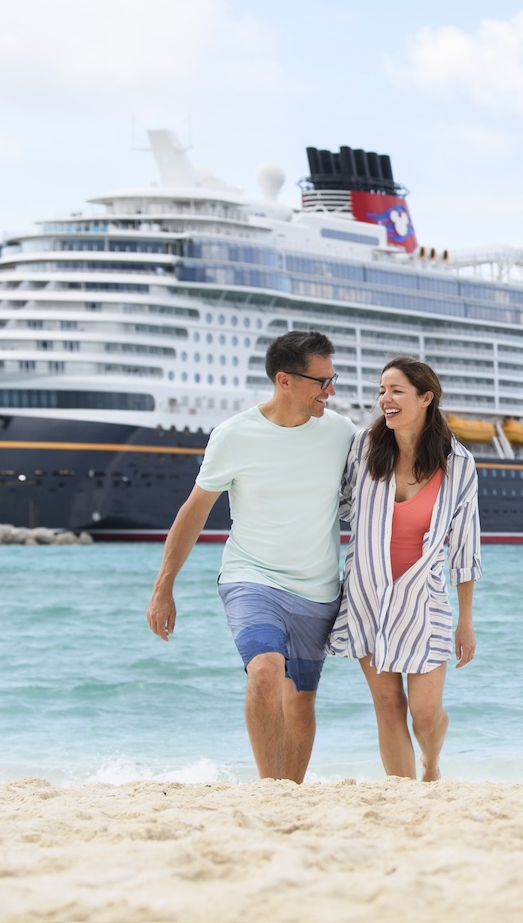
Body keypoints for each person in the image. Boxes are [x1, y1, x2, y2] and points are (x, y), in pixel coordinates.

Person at [146, 330, 355, 782]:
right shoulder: (234, 434)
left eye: (331, 378)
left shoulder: (341, 432)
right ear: (285, 381)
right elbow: (194, 511)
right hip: (250, 577)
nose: (330, 390)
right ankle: (268, 789)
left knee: (300, 702)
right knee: (264, 671)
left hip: (318, 589)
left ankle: (289, 794)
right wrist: (164, 587)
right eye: (321, 381)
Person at [328, 356, 481, 781]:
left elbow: (465, 548)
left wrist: (466, 622)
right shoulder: (362, 447)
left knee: (425, 714)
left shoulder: (458, 464)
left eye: (396, 391)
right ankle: (402, 794)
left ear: (425, 397)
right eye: (382, 391)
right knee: (388, 704)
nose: (385, 400)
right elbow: (333, 504)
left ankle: (430, 761)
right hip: (365, 596)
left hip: (424, 600)